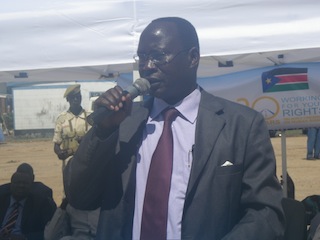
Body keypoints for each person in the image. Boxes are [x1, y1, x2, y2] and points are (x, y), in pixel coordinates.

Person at [64, 17, 285, 239]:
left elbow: (265, 213)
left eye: (158, 56)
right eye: (142, 57)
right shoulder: (123, 123)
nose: (147, 67)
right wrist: (103, 131)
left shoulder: (242, 125)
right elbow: (80, 196)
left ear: (192, 58)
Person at [0, 171, 56, 240]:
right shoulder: (2, 200)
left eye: (25, 183)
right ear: (10, 184)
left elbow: (50, 232)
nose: (21, 186)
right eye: (17, 182)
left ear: (31, 186)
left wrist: (25, 238)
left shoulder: (41, 204)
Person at [53, 84, 91, 168]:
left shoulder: (89, 117)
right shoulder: (61, 119)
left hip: (87, 163)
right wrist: (60, 153)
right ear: (68, 99)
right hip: (68, 164)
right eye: (73, 97)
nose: (76, 100)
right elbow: (56, 145)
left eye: (78, 97)